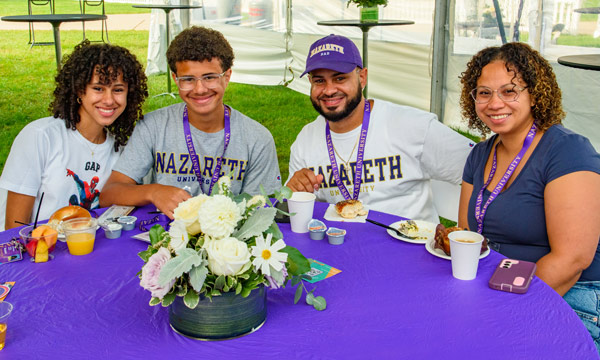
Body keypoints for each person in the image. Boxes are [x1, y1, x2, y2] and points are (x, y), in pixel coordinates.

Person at [458, 42, 600, 349]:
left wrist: (507, 309)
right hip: (498, 287)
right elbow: (468, 237)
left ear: (535, 94)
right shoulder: (480, 154)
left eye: (509, 91)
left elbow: (573, 259)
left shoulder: (566, 150)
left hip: (571, 296)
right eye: (483, 92)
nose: (495, 103)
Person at [286, 34, 474, 223]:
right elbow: (292, 214)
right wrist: (295, 192)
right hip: (341, 247)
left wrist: (467, 236)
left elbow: (485, 167)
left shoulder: (413, 126)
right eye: (319, 81)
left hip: (409, 247)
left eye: (340, 78)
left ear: (362, 77)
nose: (328, 90)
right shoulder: (306, 140)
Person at [100, 26, 281, 219]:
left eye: (209, 77)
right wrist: (152, 191)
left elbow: (261, 212)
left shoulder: (256, 138)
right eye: (188, 79)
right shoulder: (154, 126)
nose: (200, 89)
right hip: (163, 238)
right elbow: (109, 193)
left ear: (227, 77)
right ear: (175, 80)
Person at [0, 41, 148, 230]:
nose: (109, 100)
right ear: (80, 90)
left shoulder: (122, 148)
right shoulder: (40, 137)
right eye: (98, 88)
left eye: (118, 90)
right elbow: (15, 228)